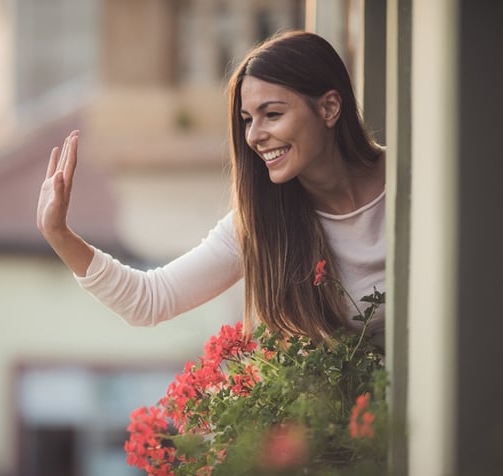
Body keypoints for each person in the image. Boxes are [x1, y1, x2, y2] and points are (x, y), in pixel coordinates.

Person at [36, 30, 386, 348]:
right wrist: (59, 234)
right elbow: (148, 299)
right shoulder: (260, 223)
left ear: (329, 108)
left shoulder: (412, 178)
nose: (254, 136)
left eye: (273, 114)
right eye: (248, 120)